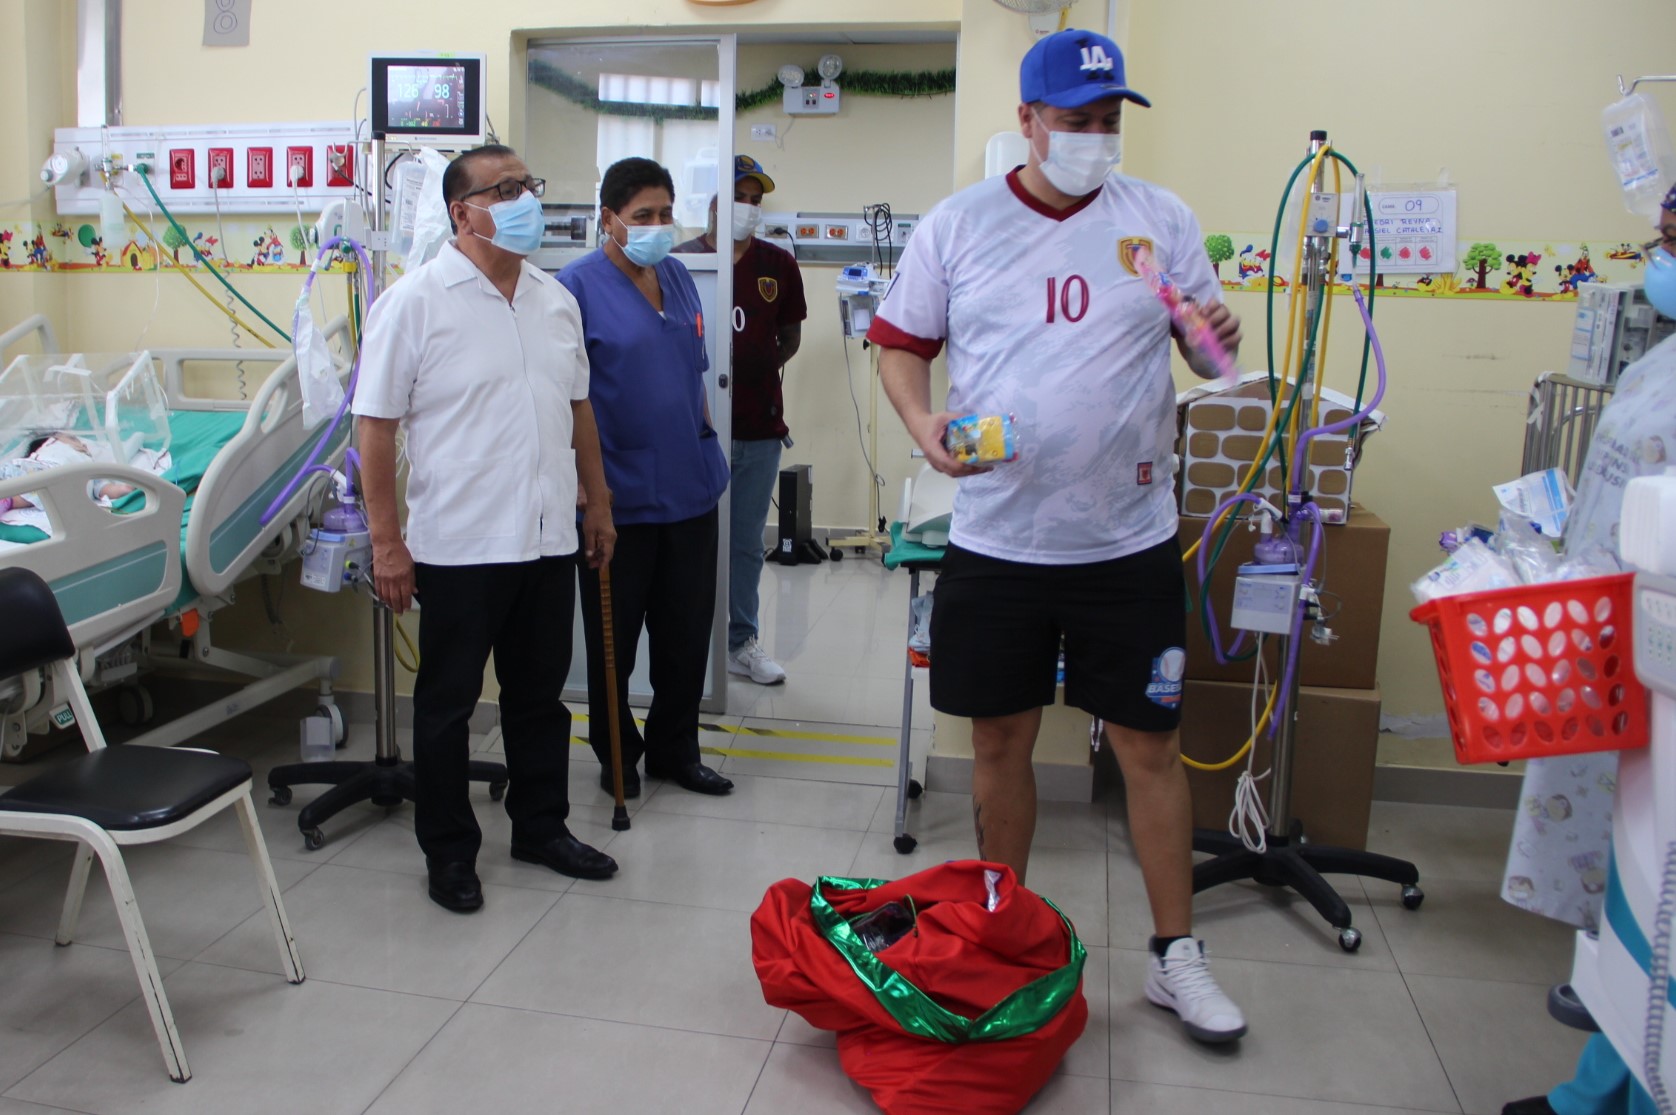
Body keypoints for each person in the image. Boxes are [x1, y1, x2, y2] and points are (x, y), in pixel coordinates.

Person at [869, 28, 1248, 1045]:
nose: (1093, 139)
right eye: (1074, 121)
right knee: (998, 737)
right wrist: (920, 426)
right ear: (1027, 121)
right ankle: (999, 931)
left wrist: (1212, 326)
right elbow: (900, 343)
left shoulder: (1157, 220)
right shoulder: (959, 226)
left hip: (1126, 540)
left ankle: (1175, 956)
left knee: (1149, 746)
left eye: (1108, 121)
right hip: (997, 540)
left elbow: (1210, 359)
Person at [354, 144, 620, 914]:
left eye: (528, 185)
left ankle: (541, 826)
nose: (525, 199)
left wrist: (595, 502)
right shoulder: (415, 302)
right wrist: (387, 542)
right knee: (447, 705)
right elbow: (374, 429)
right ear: (460, 211)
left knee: (540, 697)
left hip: (545, 538)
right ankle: (448, 851)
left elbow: (578, 409)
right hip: (460, 545)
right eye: (504, 189)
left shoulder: (554, 299)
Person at [559, 157, 733, 799]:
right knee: (615, 644)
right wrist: (586, 487)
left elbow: (693, 372)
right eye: (643, 217)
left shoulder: (680, 277)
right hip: (618, 501)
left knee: (685, 637)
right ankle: (617, 755)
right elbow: (563, 400)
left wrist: (705, 437)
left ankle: (674, 751)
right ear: (608, 220)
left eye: (665, 213)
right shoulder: (574, 288)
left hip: (690, 489)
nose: (659, 226)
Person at [675, 155, 807, 686]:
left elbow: (790, 336)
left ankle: (739, 642)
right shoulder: (681, 262)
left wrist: (756, 365)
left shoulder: (778, 264)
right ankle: (688, 642)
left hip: (758, 428)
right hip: (693, 432)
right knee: (690, 542)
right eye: (740, 197)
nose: (749, 208)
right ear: (712, 202)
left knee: (746, 544)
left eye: (756, 200)